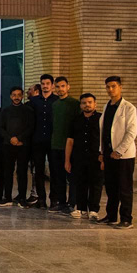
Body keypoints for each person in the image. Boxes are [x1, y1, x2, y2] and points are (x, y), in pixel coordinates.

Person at [98, 76, 137, 229]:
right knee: (111, 186)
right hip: (109, 153)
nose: (110, 89)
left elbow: (131, 132)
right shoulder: (107, 106)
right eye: (108, 87)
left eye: (113, 86)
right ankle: (111, 216)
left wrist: (119, 151)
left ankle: (126, 219)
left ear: (120, 87)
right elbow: (104, 132)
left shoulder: (129, 108)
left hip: (124, 156)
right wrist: (102, 151)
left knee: (124, 187)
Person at [66, 93, 102, 220]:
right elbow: (70, 141)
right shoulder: (76, 120)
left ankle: (93, 210)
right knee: (80, 183)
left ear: (95, 104)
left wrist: (103, 156)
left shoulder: (101, 119)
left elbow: (105, 139)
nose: (87, 105)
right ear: (80, 105)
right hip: (79, 157)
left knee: (95, 184)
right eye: (84, 103)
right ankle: (81, 208)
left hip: (96, 157)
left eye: (89, 102)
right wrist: (67, 160)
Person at [0, 86, 34, 207]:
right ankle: (7, 197)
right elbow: (1, 128)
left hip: (23, 145)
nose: (16, 97)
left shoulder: (28, 110)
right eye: (14, 95)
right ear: (10, 96)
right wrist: (11, 139)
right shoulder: (5, 111)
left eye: (19, 95)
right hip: (8, 145)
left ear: (22, 96)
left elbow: (31, 127)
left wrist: (19, 138)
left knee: (22, 172)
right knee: (8, 171)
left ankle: (22, 198)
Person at [29, 74, 59, 209]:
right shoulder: (34, 101)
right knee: (39, 171)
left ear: (52, 85)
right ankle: (41, 199)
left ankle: (54, 199)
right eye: (43, 83)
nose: (45, 86)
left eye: (47, 83)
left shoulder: (57, 101)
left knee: (54, 171)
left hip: (53, 141)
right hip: (38, 141)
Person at [50, 76, 79, 214]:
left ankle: (72, 202)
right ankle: (61, 202)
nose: (60, 89)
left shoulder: (74, 104)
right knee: (58, 176)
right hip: (56, 145)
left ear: (68, 87)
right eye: (57, 86)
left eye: (62, 86)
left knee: (72, 177)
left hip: (71, 146)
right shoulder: (55, 104)